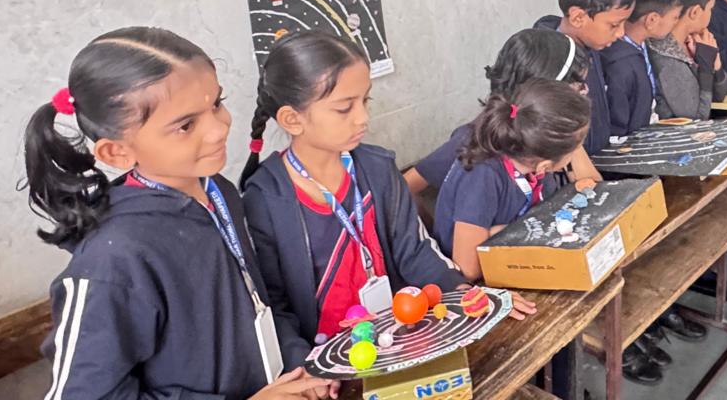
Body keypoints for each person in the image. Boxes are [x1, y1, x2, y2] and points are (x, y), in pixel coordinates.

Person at [22, 27, 332, 400]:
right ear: (117, 153)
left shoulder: (218, 191)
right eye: (186, 125)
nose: (219, 128)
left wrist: (301, 363)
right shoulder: (113, 260)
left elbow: (257, 301)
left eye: (216, 103)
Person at [238, 32, 534, 372]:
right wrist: (303, 367)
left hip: (396, 341)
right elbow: (274, 305)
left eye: (365, 101)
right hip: (324, 365)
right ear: (293, 119)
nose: (362, 117)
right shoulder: (265, 199)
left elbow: (415, 251)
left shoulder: (377, 169)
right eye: (344, 107)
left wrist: (465, 293)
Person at [432, 79, 590, 279]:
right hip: (473, 282)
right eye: (576, 148)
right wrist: (508, 231)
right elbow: (467, 270)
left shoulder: (531, 160)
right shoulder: (482, 176)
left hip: (513, 257)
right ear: (545, 164)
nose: (578, 152)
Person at [402, 28, 589, 198]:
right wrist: (427, 224)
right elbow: (404, 187)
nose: (584, 93)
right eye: (578, 88)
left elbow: (588, 182)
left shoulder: (551, 134)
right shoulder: (473, 141)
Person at [534, 0, 637, 177]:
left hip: (597, 161)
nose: (621, 33)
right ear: (578, 17)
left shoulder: (589, 45)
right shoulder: (549, 69)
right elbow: (567, 158)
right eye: (614, 25)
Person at [601, 0, 682, 138]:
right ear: (652, 20)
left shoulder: (643, 45)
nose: (677, 23)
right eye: (675, 17)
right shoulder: (620, 63)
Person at [650, 0, 727, 121]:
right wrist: (705, 68)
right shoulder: (667, 58)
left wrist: (716, 64)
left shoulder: (692, 43)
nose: (711, 15)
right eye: (710, 9)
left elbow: (719, 96)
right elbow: (697, 117)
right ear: (695, 12)